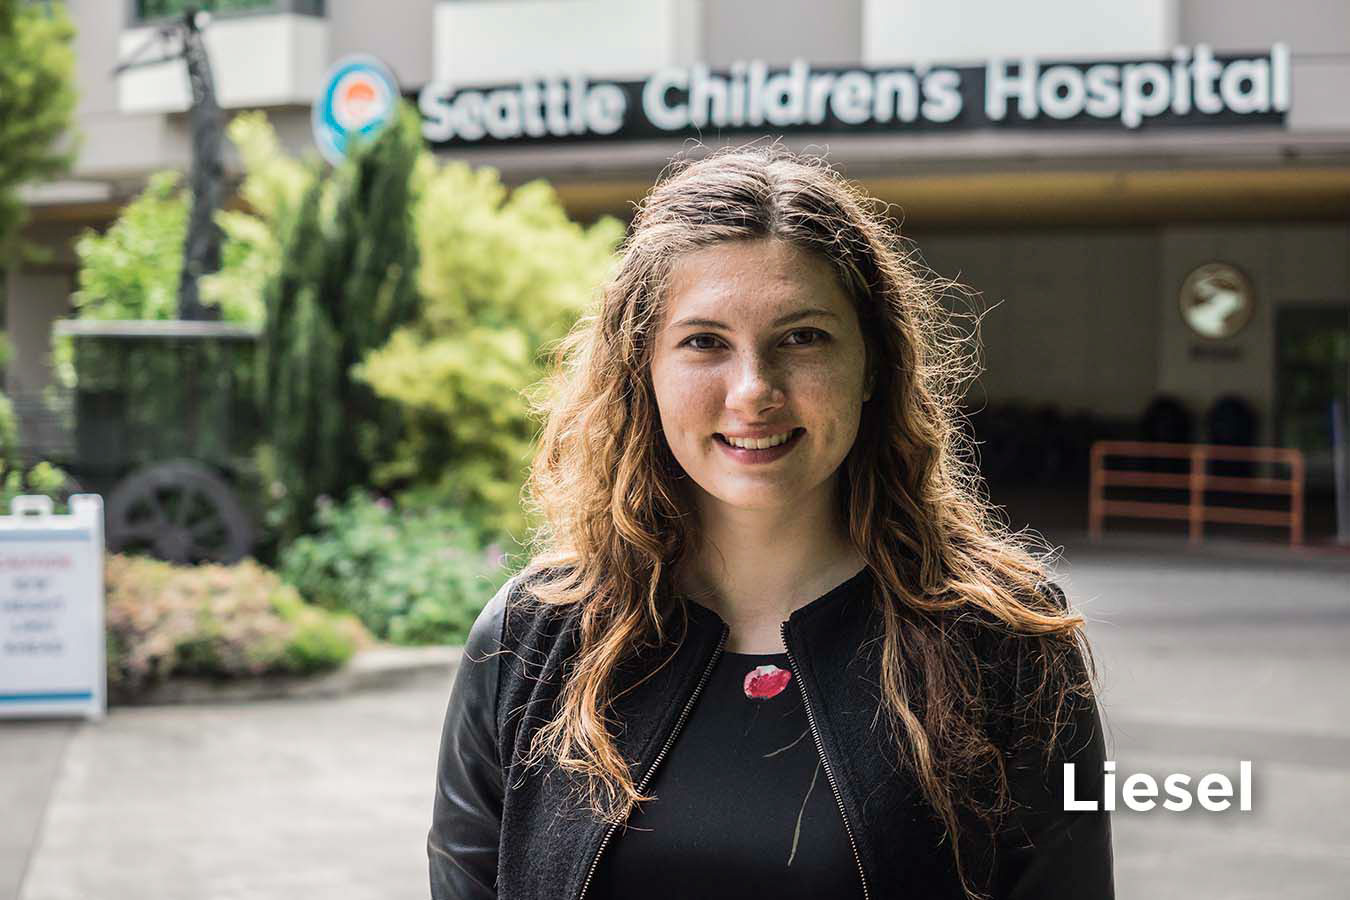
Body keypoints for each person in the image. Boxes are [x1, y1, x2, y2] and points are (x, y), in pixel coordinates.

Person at [428, 143, 1114, 900]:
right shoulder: (528, 641)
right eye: (704, 343)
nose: (754, 390)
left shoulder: (1005, 645)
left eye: (802, 337)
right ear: (641, 371)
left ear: (873, 366)